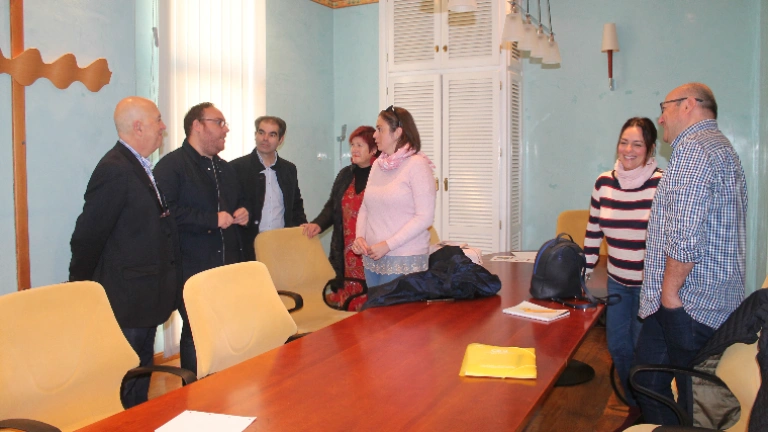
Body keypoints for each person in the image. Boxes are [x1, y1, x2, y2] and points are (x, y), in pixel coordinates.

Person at [634, 83, 748, 425]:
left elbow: (685, 236)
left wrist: (670, 297)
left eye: (664, 108)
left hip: (688, 303)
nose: (660, 118)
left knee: (688, 401)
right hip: (703, 300)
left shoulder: (694, 149)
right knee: (651, 381)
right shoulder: (720, 146)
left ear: (687, 105)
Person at [69, 96, 181, 407]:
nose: (163, 126)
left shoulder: (139, 165)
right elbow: (88, 234)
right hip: (127, 297)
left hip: (145, 295)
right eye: (158, 120)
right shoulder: (115, 169)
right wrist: (81, 288)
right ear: (138, 127)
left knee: (140, 375)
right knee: (126, 380)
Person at [153, 102, 249, 376]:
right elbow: (164, 213)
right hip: (191, 267)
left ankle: (221, 386)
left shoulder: (226, 169)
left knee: (225, 330)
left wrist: (242, 212)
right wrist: (211, 219)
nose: (225, 129)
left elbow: (235, 204)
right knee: (196, 331)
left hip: (227, 266)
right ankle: (194, 392)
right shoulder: (171, 167)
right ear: (197, 125)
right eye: (219, 122)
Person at [583, 117, 662, 409]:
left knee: (643, 351)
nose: (628, 150)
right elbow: (593, 231)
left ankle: (648, 409)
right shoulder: (603, 182)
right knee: (617, 347)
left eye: (637, 144)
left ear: (650, 149)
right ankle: (635, 405)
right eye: (624, 142)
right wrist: (584, 273)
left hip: (650, 286)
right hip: (617, 283)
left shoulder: (662, 183)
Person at [352, 106, 436, 287]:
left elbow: (425, 217)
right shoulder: (378, 165)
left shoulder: (417, 165)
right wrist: (360, 237)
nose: (375, 135)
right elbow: (366, 207)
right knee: (375, 306)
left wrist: (388, 245)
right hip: (373, 257)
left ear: (397, 132)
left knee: (392, 307)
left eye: (380, 129)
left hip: (403, 257)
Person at [302, 126, 379, 310]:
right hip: (347, 248)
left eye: (360, 145)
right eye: (352, 145)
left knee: (373, 298)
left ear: (373, 150)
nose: (354, 149)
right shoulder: (345, 174)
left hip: (373, 248)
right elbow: (333, 205)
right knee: (348, 295)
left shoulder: (382, 175)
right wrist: (318, 224)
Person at [231, 115, 307, 261]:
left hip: (282, 246)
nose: (265, 138)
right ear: (255, 135)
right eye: (261, 132)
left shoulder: (289, 169)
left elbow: (296, 205)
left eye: (272, 134)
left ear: (281, 139)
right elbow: (229, 205)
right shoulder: (236, 168)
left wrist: (302, 230)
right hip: (249, 247)